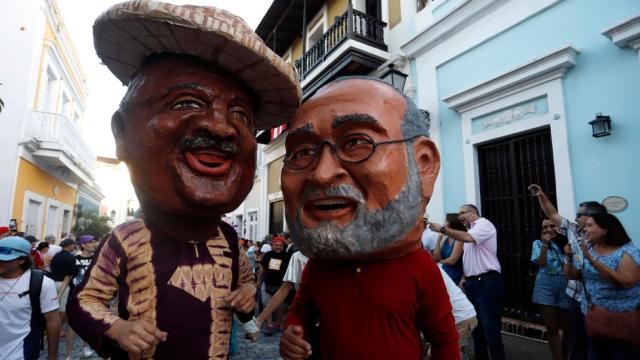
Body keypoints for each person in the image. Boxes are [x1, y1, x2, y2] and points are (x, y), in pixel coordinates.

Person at [66, 2, 300, 359]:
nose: (221, 127)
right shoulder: (127, 239)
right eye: (187, 102)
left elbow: (245, 286)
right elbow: (85, 299)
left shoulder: (229, 239)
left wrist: (247, 297)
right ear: (122, 133)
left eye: (240, 114)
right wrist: (118, 327)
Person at [280, 77, 458, 359]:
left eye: (356, 142)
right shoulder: (319, 267)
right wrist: (292, 333)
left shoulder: (419, 267)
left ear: (423, 164)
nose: (322, 174)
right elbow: (299, 314)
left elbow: (445, 340)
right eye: (302, 152)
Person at [529, 184, 608, 360]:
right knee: (577, 342)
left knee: (595, 343)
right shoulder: (573, 230)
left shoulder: (606, 239)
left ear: (592, 217)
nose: (576, 217)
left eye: (580, 214)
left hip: (596, 298)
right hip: (575, 294)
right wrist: (541, 195)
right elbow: (552, 214)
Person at [429, 205, 505, 360]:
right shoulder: (470, 231)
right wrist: (465, 278)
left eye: (462, 213)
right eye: (458, 214)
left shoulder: (484, 224)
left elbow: (468, 239)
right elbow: (470, 259)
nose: (460, 217)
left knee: (491, 330)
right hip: (472, 283)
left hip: (487, 282)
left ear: (473, 212)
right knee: (477, 331)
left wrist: (442, 230)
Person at [563, 214, 640, 359]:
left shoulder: (628, 252)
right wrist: (569, 256)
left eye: (590, 225)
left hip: (622, 321)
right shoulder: (589, 249)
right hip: (594, 318)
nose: (584, 229)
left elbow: (626, 281)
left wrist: (591, 259)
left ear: (605, 230)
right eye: (585, 225)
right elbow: (572, 275)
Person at [0, 236, 60, 360]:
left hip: (21, 354)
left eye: (4, 259)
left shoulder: (41, 282)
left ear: (21, 260)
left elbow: (52, 321)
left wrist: (52, 356)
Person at [531, 219, 571, 360]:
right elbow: (541, 263)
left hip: (567, 287)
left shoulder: (568, 243)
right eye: (545, 227)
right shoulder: (537, 243)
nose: (549, 229)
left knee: (567, 329)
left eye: (552, 226)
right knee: (552, 327)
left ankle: (565, 356)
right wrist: (545, 245)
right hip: (545, 286)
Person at [257, 235, 289, 335]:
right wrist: (258, 280)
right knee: (266, 303)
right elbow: (262, 268)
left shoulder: (287, 256)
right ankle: (270, 325)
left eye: (280, 245)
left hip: (281, 285)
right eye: (276, 245)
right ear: (273, 245)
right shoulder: (268, 255)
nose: (278, 247)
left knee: (280, 306)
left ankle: (277, 324)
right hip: (267, 283)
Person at [432, 213, 465, 285]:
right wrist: (438, 240)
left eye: (446, 221)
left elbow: (452, 261)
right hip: (444, 274)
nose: (443, 223)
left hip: (453, 275)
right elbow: (436, 258)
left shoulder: (459, 240)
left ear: (453, 223)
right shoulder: (446, 238)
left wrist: (438, 262)